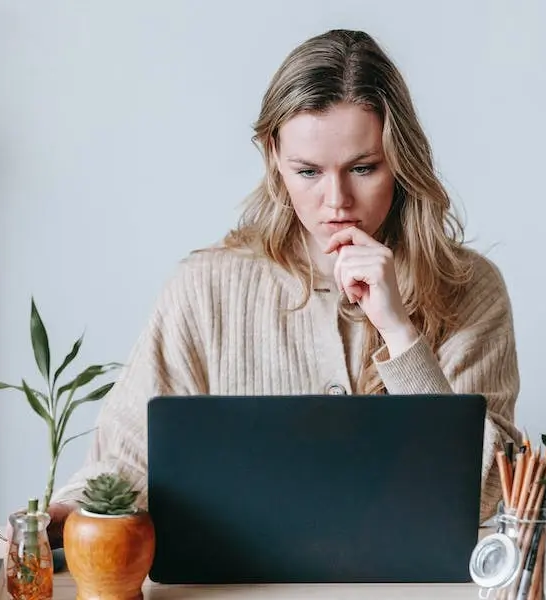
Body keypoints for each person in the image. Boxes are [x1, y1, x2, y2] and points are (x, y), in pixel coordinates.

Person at [43, 28, 521, 547]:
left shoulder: (469, 288)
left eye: (363, 168)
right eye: (308, 171)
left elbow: (489, 493)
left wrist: (399, 332)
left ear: (400, 160)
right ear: (274, 156)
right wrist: (59, 519)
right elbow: (127, 455)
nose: (336, 200)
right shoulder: (205, 288)